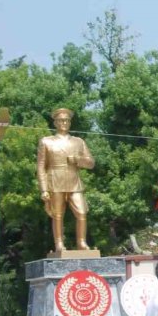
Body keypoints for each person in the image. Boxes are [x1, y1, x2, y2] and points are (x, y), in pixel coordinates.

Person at [36, 107, 95, 252]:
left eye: (67, 120)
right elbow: (40, 167)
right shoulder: (46, 142)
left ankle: (81, 242)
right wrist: (44, 189)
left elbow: (91, 163)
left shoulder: (78, 141)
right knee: (57, 214)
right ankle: (59, 244)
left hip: (74, 181)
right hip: (55, 180)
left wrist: (77, 159)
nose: (64, 123)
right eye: (61, 120)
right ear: (55, 123)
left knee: (81, 212)